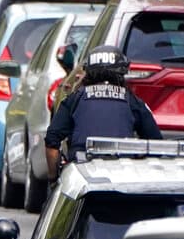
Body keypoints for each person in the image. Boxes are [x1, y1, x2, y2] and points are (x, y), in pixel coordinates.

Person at [45, 45, 162, 178]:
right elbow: (155, 143)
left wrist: (53, 179)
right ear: (122, 72)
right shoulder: (132, 101)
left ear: (87, 72)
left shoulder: (75, 99)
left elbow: (51, 140)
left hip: (80, 174)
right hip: (122, 175)